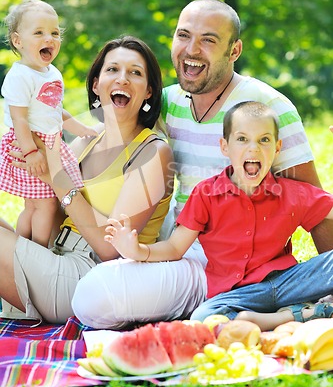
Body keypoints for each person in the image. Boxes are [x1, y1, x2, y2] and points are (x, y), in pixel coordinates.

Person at [72, 0, 332, 330]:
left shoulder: (269, 108)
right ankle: (227, 305)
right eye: (183, 35)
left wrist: (327, 285)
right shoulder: (167, 101)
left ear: (234, 51)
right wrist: (46, 145)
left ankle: (245, 302)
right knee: (93, 296)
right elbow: (110, 126)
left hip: (246, 260)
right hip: (181, 247)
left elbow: (318, 208)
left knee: (96, 296)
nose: (191, 49)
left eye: (208, 40)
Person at [105, 102, 333, 331]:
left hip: (288, 282)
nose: (253, 148)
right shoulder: (206, 195)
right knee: (203, 318)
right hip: (238, 295)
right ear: (225, 146)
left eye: (264, 140)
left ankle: (288, 313)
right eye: (242, 139)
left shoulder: (292, 193)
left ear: (277, 148)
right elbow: (174, 248)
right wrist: (137, 251)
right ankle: (294, 315)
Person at [0, 35, 174, 324]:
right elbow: (49, 211)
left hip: (91, 276)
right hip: (56, 255)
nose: (123, 79)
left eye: (135, 73)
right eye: (112, 70)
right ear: (96, 84)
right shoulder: (85, 142)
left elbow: (110, 249)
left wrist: (54, 176)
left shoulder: (154, 152)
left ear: (148, 92)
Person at [0, 0, 96, 247]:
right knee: (43, 203)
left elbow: (55, 110)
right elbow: (19, 119)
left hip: (50, 144)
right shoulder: (20, 76)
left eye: (54, 32)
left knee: (37, 204)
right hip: (29, 144)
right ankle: (38, 250)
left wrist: (81, 129)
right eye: (39, 32)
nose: (49, 38)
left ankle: (21, 247)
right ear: (18, 41)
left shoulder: (51, 72)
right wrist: (31, 152)